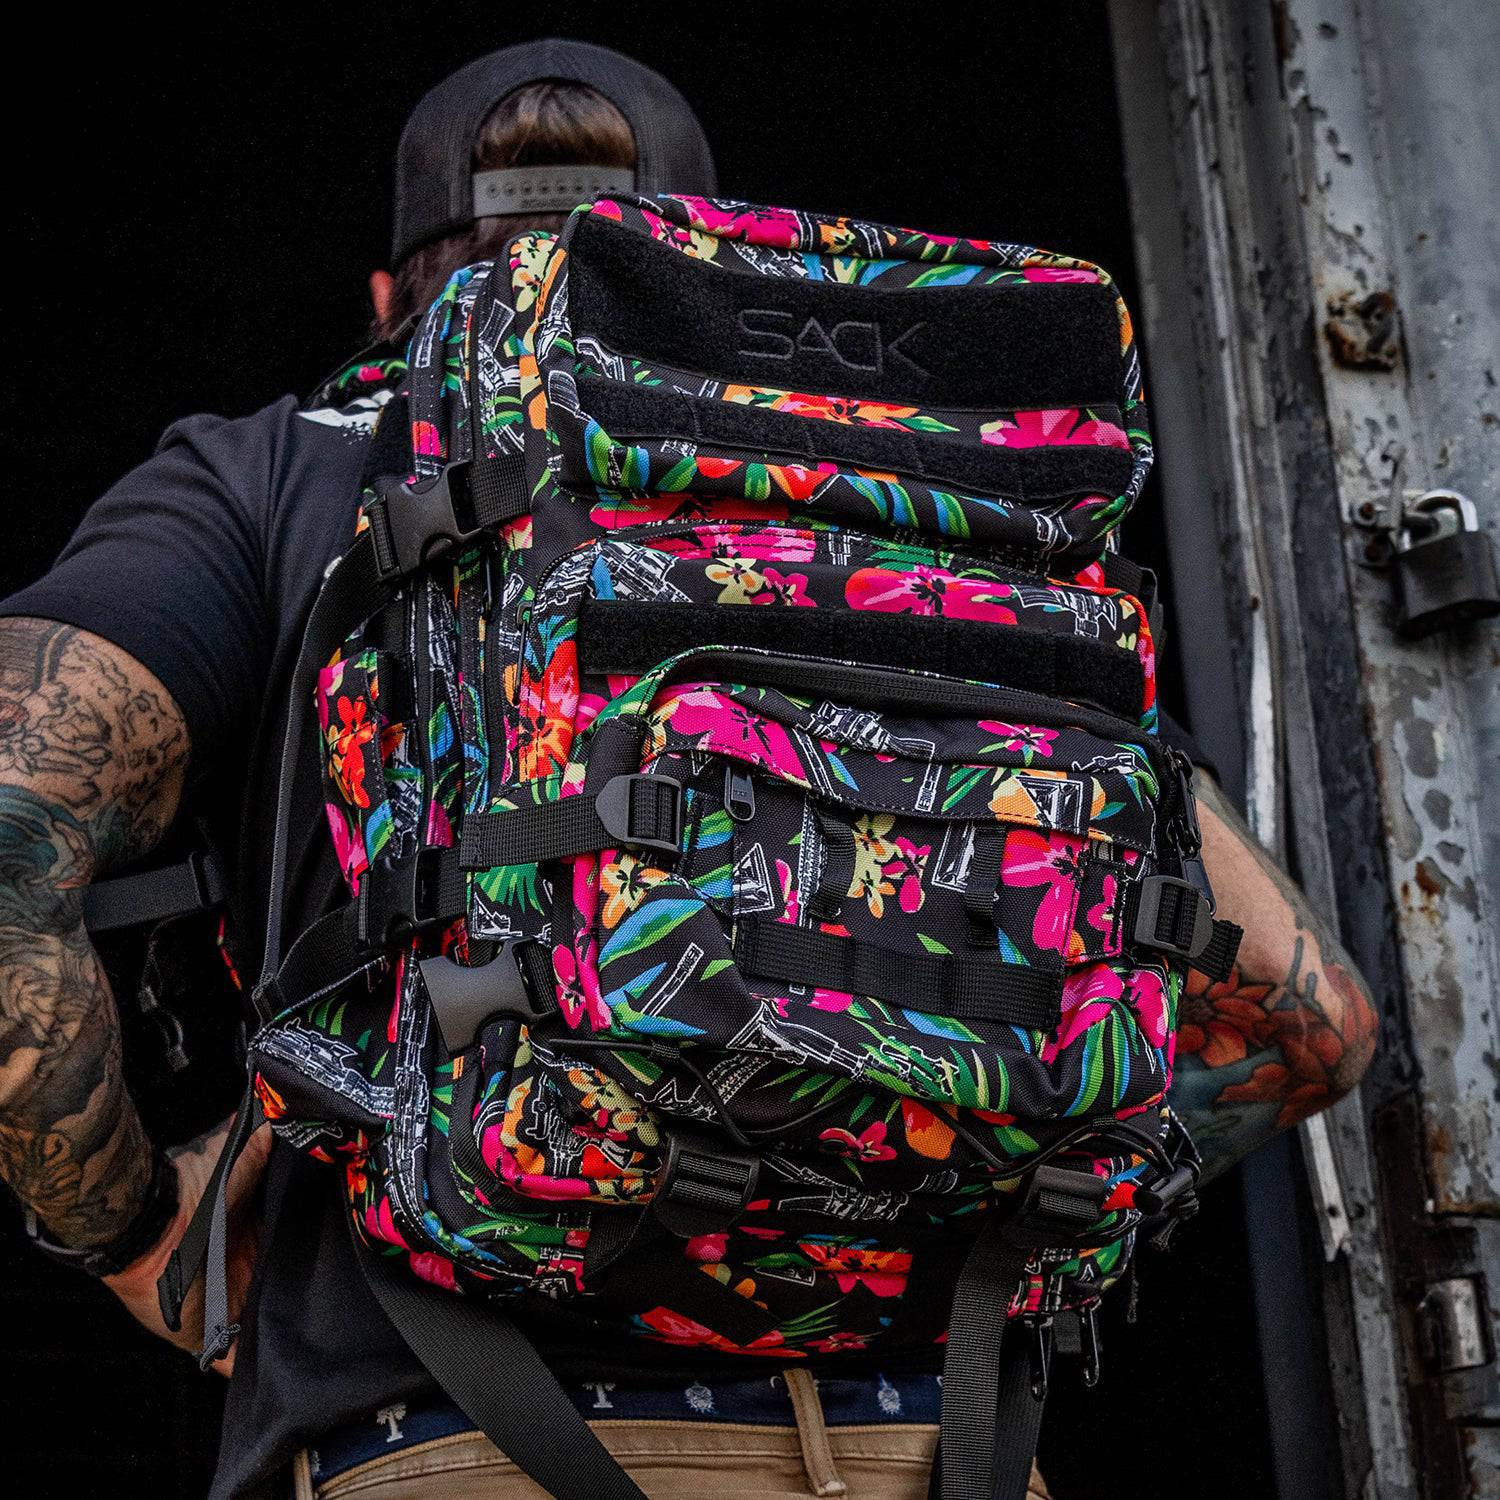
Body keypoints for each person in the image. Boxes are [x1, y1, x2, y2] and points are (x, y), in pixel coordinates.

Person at [0, 38, 1377, 1500]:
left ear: (390, 300)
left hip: (451, 1434)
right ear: (709, 260)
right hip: (939, 1439)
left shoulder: (275, 474)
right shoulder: (913, 512)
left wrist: (137, 1233)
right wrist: (993, 1174)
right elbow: (1310, 1020)